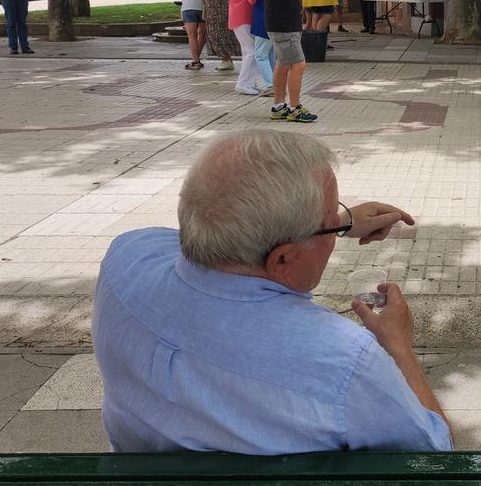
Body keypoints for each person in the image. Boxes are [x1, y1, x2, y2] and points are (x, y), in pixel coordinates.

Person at [92, 129, 453, 453]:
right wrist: (398, 348)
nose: (337, 229)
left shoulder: (126, 257)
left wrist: (336, 223)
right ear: (282, 259)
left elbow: (217, 221)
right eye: (330, 227)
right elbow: (435, 453)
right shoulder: (343, 360)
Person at [262, 0, 345, 123]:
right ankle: (294, 108)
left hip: (281, 23)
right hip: (283, 25)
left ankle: (279, 106)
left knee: (283, 64)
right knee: (298, 64)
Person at [227, 0, 264, 95]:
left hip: (240, 17)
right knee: (251, 52)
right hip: (242, 17)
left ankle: (250, 83)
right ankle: (243, 84)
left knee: (249, 51)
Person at [247, 0, 275, 93]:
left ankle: (271, 85)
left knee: (260, 55)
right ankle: (276, 83)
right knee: (270, 55)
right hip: (274, 20)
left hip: (263, 20)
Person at [175, 0, 208, 70]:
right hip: (202, 7)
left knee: (192, 35)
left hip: (188, 7)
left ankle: (195, 61)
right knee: (202, 34)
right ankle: (196, 58)